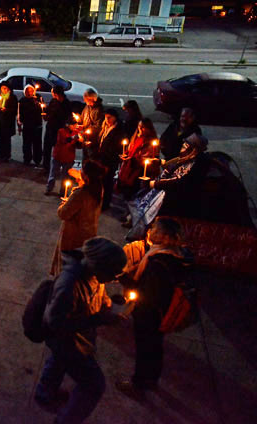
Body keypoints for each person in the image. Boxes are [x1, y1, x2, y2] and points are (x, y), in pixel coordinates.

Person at [36, 237, 127, 424]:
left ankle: (44, 393)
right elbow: (55, 323)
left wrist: (106, 303)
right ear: (99, 265)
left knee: (58, 361)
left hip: (74, 339)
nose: (115, 277)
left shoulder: (92, 275)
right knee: (94, 385)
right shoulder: (69, 285)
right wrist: (99, 319)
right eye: (113, 272)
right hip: (67, 341)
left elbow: (95, 297)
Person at [117, 218, 191, 398]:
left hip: (149, 314)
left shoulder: (159, 262)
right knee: (156, 346)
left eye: (155, 229)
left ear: (165, 237)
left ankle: (138, 384)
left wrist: (123, 277)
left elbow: (147, 292)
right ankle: (152, 379)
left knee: (145, 347)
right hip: (161, 312)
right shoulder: (175, 255)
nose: (150, 231)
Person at [50, 160, 106, 276]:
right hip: (88, 234)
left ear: (86, 176)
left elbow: (63, 214)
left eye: (82, 172)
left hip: (73, 237)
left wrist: (64, 203)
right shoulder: (98, 189)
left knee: (67, 270)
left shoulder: (80, 194)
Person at [150, 133, 211, 220]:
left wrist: (154, 184)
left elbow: (178, 181)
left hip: (180, 203)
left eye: (186, 145)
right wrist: (161, 162)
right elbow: (174, 164)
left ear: (194, 149)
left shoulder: (195, 164)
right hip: (174, 197)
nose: (183, 147)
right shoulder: (188, 158)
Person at [117, 118, 158, 203]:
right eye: (139, 126)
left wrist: (132, 159)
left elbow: (148, 156)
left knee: (133, 192)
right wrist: (126, 154)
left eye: (143, 127)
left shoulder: (150, 141)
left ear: (149, 128)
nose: (140, 129)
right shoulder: (136, 137)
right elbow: (130, 149)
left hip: (139, 170)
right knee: (125, 190)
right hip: (129, 167)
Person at [95, 108, 126, 211]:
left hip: (109, 162)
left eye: (109, 118)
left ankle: (105, 204)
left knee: (107, 183)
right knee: (101, 182)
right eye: (105, 117)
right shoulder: (105, 127)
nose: (107, 119)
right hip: (102, 160)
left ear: (115, 118)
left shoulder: (118, 131)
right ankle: (100, 201)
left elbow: (116, 148)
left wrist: (108, 160)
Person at [43, 86, 72, 171]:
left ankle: (58, 166)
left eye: (52, 93)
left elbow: (66, 117)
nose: (52, 95)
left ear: (56, 94)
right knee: (47, 149)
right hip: (50, 129)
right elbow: (48, 111)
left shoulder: (66, 103)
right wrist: (45, 113)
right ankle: (46, 167)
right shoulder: (53, 101)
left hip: (59, 130)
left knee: (59, 150)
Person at [46, 121, 79, 196]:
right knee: (53, 174)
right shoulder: (61, 131)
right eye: (73, 125)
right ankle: (49, 188)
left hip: (68, 158)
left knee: (65, 176)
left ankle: (63, 191)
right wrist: (73, 138)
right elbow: (64, 140)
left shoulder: (76, 132)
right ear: (68, 125)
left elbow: (78, 145)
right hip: (58, 156)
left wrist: (80, 142)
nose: (75, 126)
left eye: (76, 125)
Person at [0, 82, 18, 162]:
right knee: (0, 139)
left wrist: (7, 110)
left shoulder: (12, 97)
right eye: (2, 88)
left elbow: (14, 110)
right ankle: (1, 154)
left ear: (9, 89)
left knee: (6, 140)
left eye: (5, 88)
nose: (3, 90)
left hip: (7, 122)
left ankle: (7, 155)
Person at [18, 84, 44, 166]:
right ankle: (27, 159)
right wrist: (19, 124)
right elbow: (20, 113)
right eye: (27, 91)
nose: (29, 93)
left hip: (37, 126)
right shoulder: (22, 100)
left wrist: (39, 104)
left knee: (37, 144)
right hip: (27, 126)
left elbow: (42, 110)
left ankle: (37, 160)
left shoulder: (37, 99)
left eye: (31, 91)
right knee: (26, 144)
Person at [78, 88, 104, 160]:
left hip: (93, 140)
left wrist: (86, 129)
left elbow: (98, 126)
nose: (84, 101)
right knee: (85, 157)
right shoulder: (87, 107)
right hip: (85, 137)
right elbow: (82, 118)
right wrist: (79, 122)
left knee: (91, 158)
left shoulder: (99, 110)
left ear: (92, 99)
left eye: (86, 99)